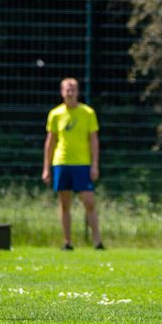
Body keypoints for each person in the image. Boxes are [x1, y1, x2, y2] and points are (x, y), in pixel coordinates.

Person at [42, 77, 104, 251]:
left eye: (73, 89)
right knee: (65, 204)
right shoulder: (55, 114)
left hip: (82, 164)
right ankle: (67, 242)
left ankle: (97, 242)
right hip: (61, 162)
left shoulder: (88, 113)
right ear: (62, 92)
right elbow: (50, 142)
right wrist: (46, 168)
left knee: (89, 202)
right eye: (67, 89)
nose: (70, 92)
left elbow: (93, 141)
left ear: (77, 92)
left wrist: (94, 165)